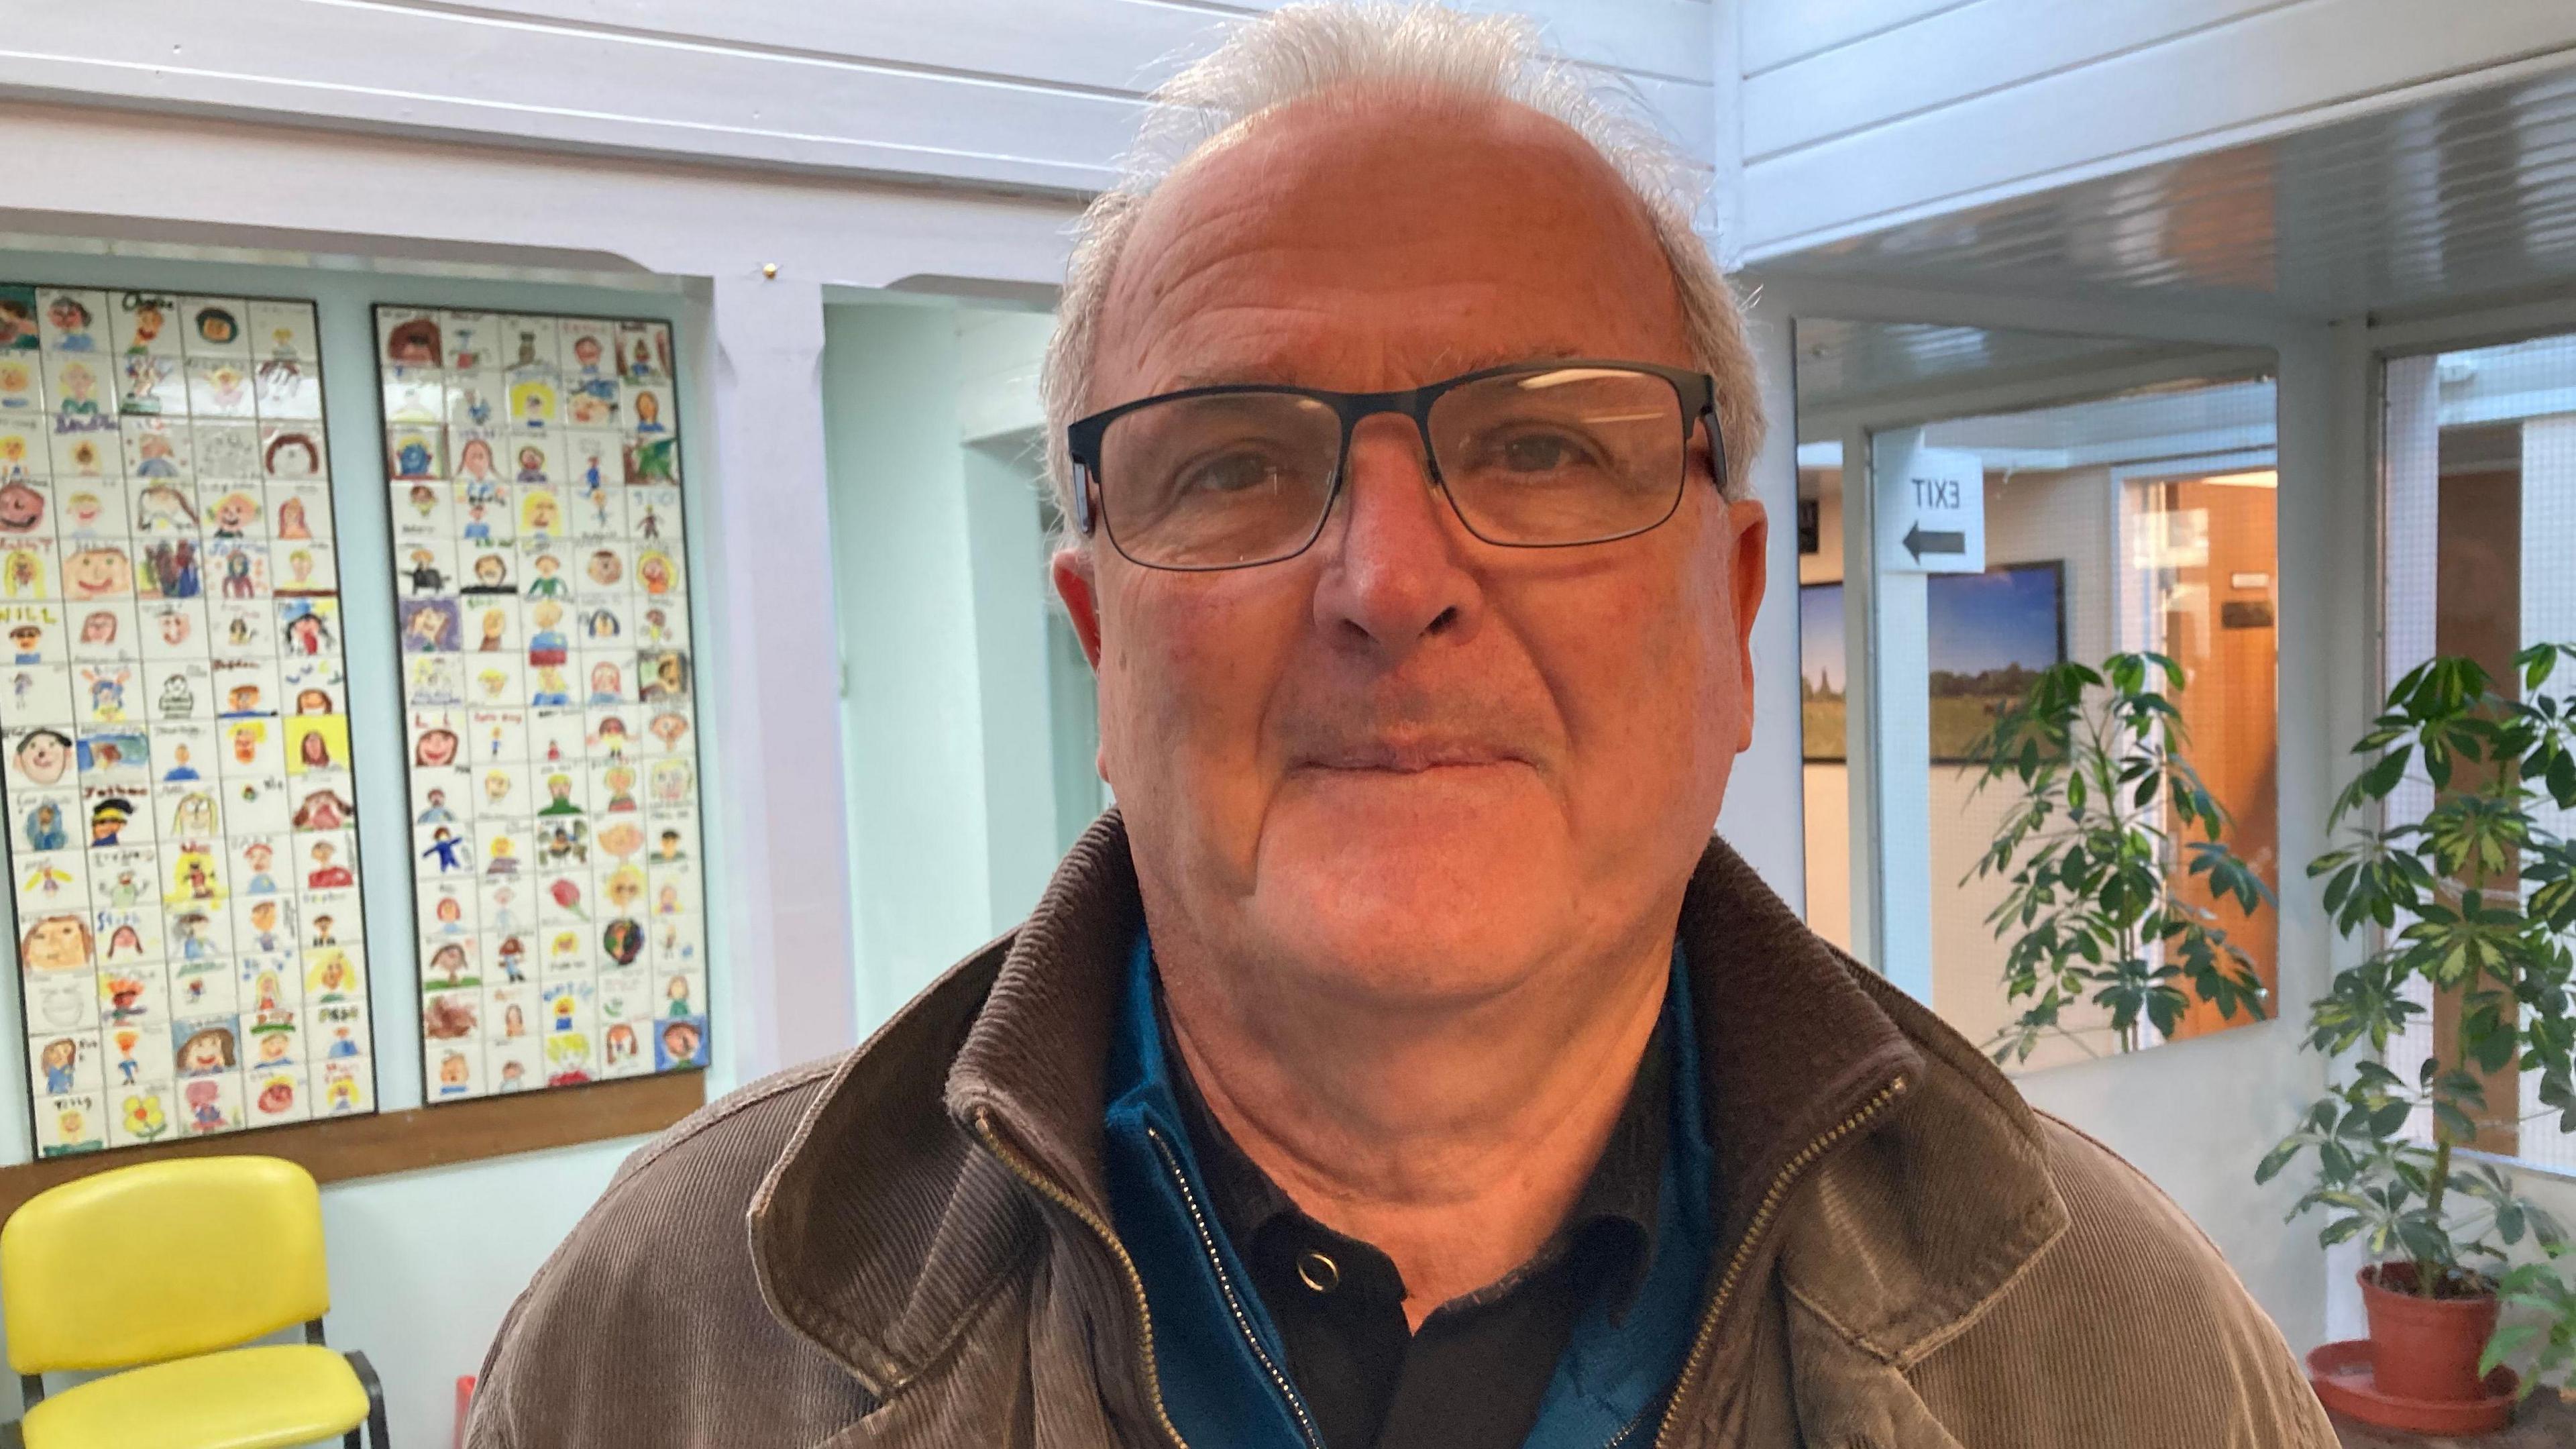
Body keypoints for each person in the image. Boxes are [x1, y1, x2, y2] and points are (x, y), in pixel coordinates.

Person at [466, 9, 2331, 1449]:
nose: (1389, 579)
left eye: (1542, 444)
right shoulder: (678, 1341)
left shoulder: (2122, 1353)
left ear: (1736, 616)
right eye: (1237, 463)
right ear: (1102, 642)